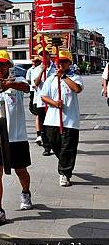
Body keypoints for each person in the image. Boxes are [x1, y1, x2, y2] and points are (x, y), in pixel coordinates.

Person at [0, 50, 33, 227]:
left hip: (16, 136)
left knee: (21, 170)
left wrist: (9, 85)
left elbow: (26, 87)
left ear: (9, 65)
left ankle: (25, 192)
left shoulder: (18, 80)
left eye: (2, 64)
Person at [40, 51, 83, 187]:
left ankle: (64, 173)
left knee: (68, 148)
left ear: (69, 63)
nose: (61, 64)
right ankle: (65, 162)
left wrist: (63, 77)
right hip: (52, 120)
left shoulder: (74, 77)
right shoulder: (51, 78)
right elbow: (43, 96)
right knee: (56, 145)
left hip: (70, 120)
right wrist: (54, 103)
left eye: (64, 61)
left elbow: (77, 89)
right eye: (59, 62)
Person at [32, 51, 56, 156]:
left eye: (45, 54)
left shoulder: (55, 67)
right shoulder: (36, 69)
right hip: (41, 101)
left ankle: (55, 145)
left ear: (49, 55)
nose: (44, 56)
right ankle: (46, 147)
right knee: (43, 126)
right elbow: (36, 83)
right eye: (41, 55)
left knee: (53, 124)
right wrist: (42, 71)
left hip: (53, 101)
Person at [25, 56, 42, 145]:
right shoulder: (31, 70)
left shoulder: (42, 68)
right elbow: (28, 80)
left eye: (37, 61)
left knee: (39, 115)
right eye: (34, 61)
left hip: (41, 94)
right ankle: (39, 134)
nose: (35, 62)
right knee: (35, 112)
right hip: (33, 91)